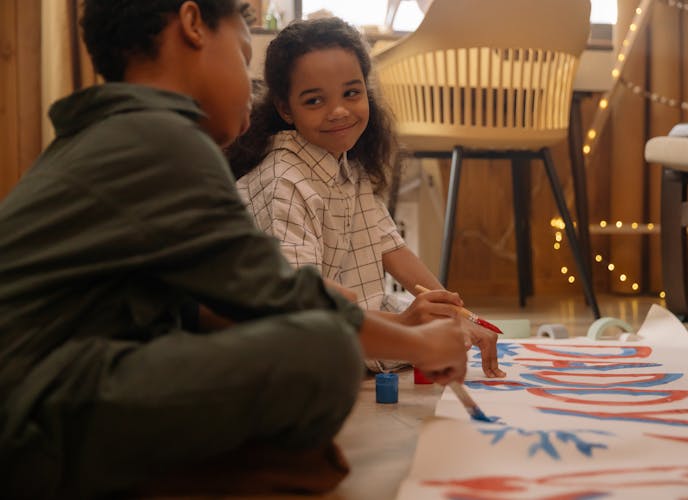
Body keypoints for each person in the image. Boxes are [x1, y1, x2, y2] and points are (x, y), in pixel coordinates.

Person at [0, 2, 469, 498]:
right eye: (245, 58)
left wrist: (400, 326)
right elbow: (277, 295)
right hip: (28, 418)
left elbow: (213, 306)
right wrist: (418, 345)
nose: (251, 92)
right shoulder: (160, 138)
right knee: (322, 351)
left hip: (41, 395)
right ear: (193, 25)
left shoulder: (114, 133)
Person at [231, 17, 504, 377]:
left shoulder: (345, 164)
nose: (339, 110)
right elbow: (300, 312)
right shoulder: (283, 180)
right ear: (286, 109)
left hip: (354, 322)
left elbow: (392, 249)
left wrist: (455, 311)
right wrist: (406, 325)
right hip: (304, 336)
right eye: (314, 100)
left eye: (352, 93)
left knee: (426, 322)